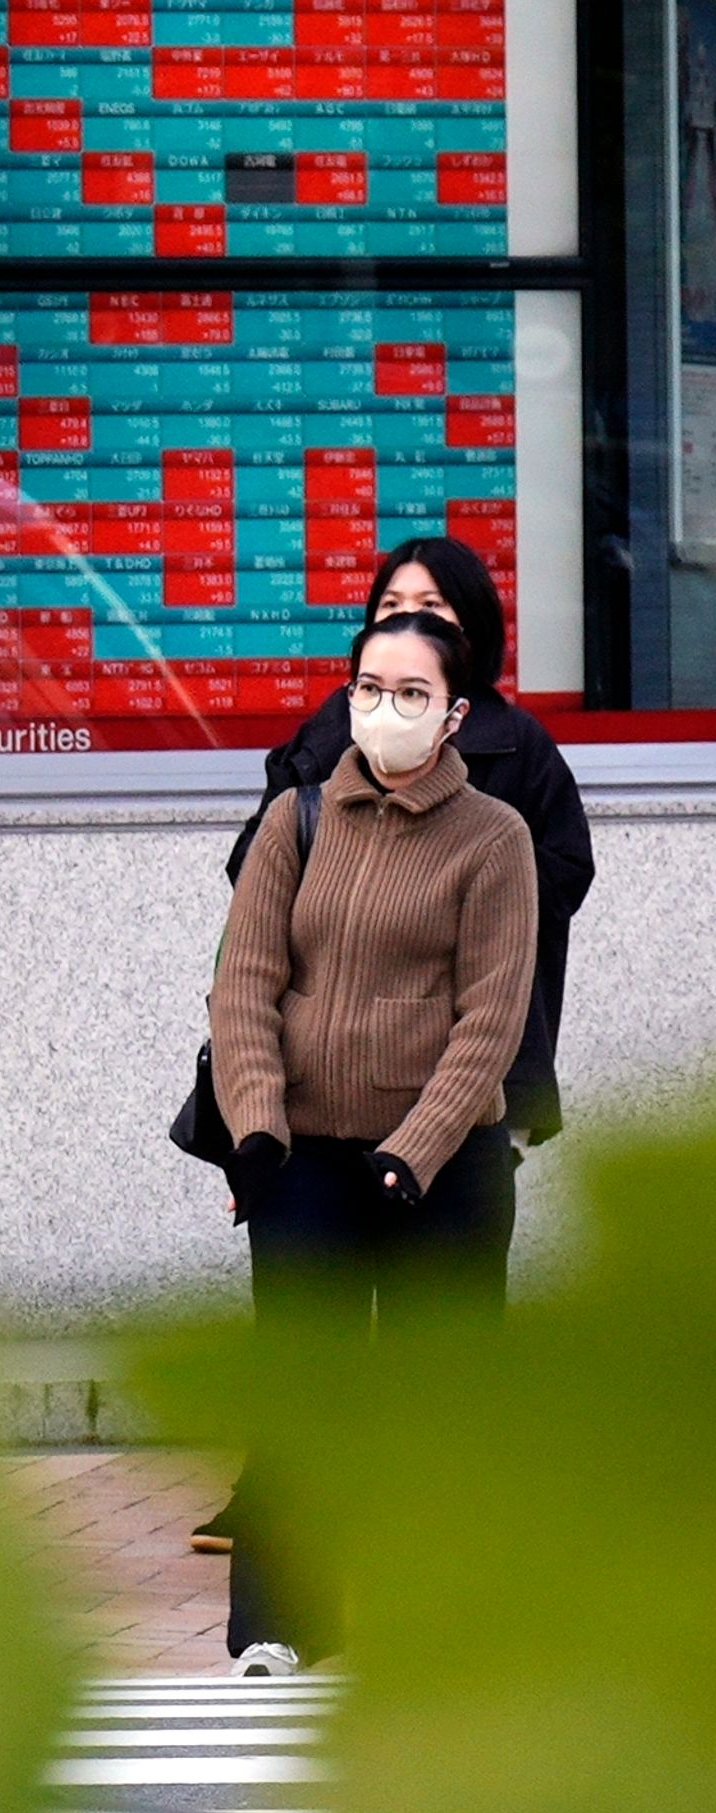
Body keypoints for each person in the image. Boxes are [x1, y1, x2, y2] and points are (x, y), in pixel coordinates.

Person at [187, 535, 592, 1554]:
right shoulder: (325, 754)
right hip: (312, 1112)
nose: (387, 699)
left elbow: (547, 904)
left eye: (437, 607)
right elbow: (254, 932)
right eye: (394, 604)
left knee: (442, 1339)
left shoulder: (516, 765)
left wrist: (438, 864)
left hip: (457, 1081)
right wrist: (258, 1118)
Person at [206, 608, 536, 1671]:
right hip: (304, 1163)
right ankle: (276, 1640)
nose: (383, 711)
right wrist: (257, 1131)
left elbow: (492, 1020)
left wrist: (417, 1147)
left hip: (443, 1177)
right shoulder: (298, 820)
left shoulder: (494, 840)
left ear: (454, 715)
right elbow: (244, 984)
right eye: (368, 688)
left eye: (410, 694)